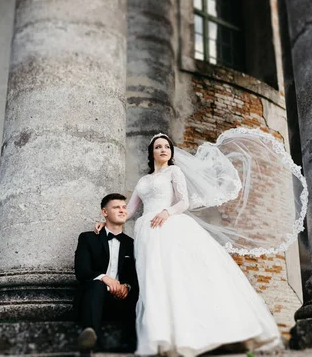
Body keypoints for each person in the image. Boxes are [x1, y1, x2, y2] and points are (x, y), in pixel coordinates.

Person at [95, 134, 283, 357]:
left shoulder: (174, 172)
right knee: (154, 281)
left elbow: (183, 201)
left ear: (171, 152)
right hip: (147, 231)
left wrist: (167, 212)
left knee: (177, 276)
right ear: (152, 152)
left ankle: (195, 334)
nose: (163, 149)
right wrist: (106, 222)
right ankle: (163, 337)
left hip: (168, 225)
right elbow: (130, 210)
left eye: (167, 146)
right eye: (158, 147)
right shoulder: (143, 181)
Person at [74, 193, 139, 351]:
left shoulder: (133, 244)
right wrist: (106, 279)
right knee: (97, 285)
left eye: (124, 207)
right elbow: (82, 272)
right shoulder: (88, 238)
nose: (122, 210)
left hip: (121, 302)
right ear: (105, 212)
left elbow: (135, 277)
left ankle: (131, 345)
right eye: (116, 207)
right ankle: (90, 338)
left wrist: (126, 287)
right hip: (93, 300)